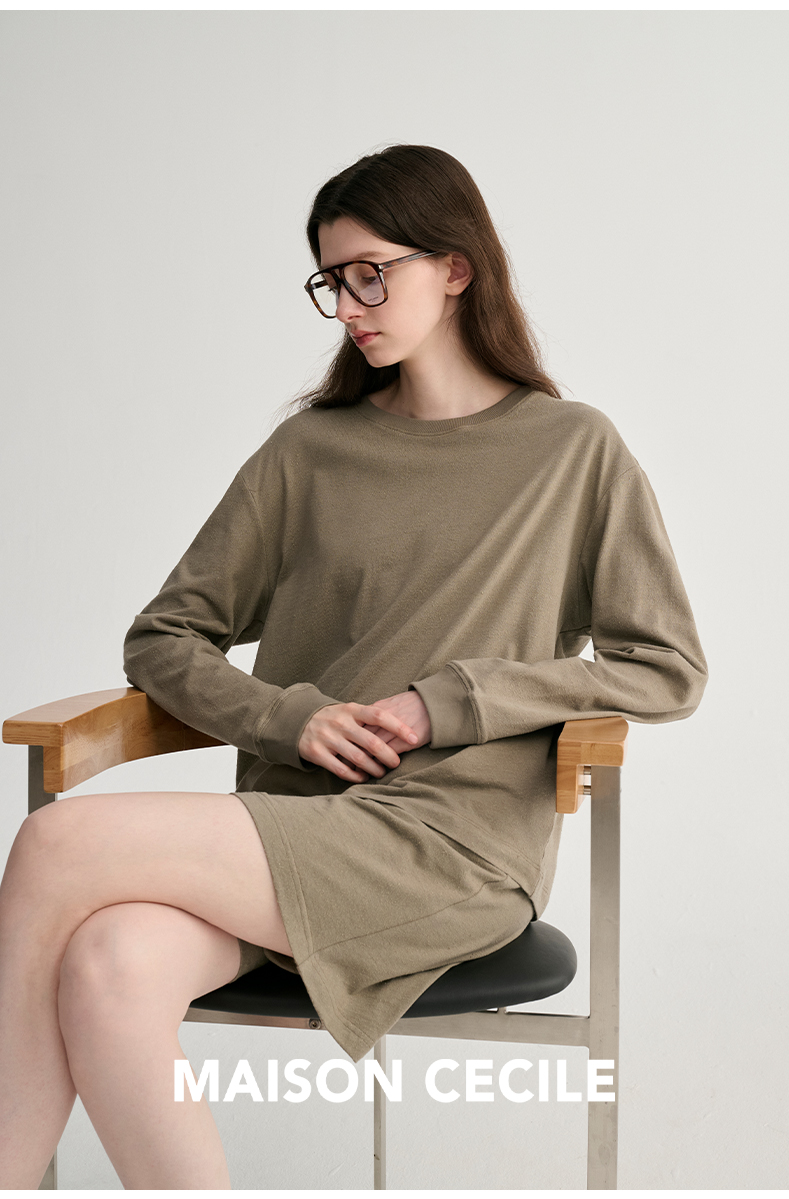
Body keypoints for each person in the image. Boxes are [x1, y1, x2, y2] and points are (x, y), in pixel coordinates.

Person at [0, 144, 708, 1190]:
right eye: (332, 281)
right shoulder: (310, 452)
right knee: (109, 963)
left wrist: (454, 701)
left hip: (451, 843)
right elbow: (165, 635)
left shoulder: (573, 450)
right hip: (292, 827)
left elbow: (666, 666)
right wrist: (289, 718)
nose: (347, 306)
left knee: (58, 841)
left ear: (455, 267)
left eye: (370, 274)